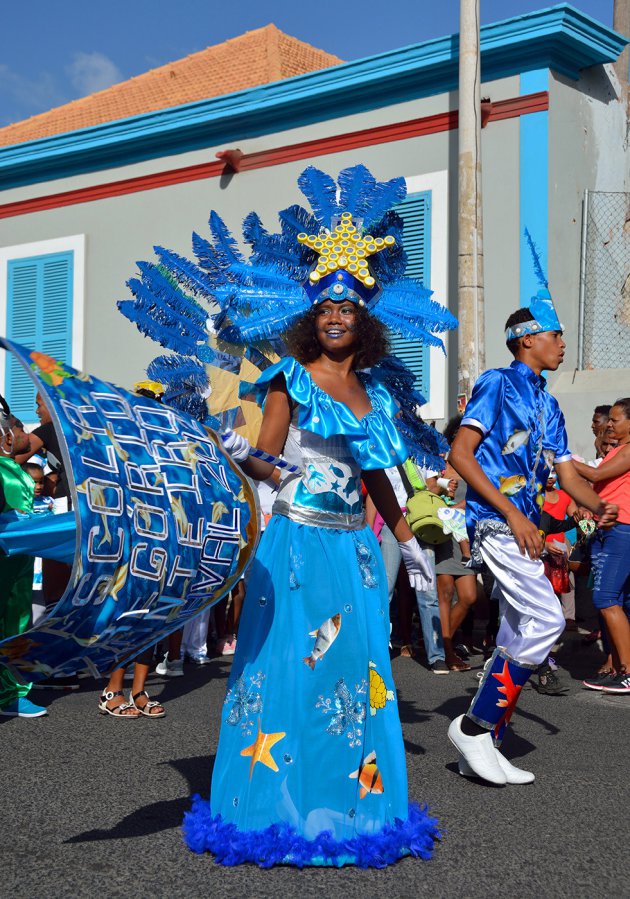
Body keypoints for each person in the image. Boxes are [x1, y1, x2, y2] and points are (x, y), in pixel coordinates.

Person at [178, 165, 457, 866]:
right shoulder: (289, 378)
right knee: (289, 673)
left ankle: (354, 807)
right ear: (312, 314)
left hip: (354, 550)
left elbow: (382, 479)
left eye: (349, 307)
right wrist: (254, 455)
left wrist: (410, 545)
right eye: (327, 306)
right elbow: (265, 459)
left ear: (365, 321)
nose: (336, 315)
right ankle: (274, 812)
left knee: (357, 679)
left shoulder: (372, 394)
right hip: (297, 542)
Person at [446, 287, 617, 786]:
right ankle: (475, 728)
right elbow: (461, 454)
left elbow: (566, 476)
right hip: (497, 522)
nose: (563, 342)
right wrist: (514, 515)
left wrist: (597, 505)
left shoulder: (551, 404)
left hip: (523, 526)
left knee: (518, 629)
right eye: (555, 333)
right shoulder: (497, 383)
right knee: (545, 619)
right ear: (525, 340)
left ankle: (486, 742)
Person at [573, 398, 630, 694]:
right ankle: (620, 667)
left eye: (616, 420)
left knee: (606, 598)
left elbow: (594, 475)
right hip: (608, 530)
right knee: (618, 600)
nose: (610, 424)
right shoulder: (617, 450)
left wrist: (559, 456)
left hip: (622, 530)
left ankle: (628, 672)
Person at [0, 399, 47, 718]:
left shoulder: (14, 467)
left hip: (18, 564)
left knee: (15, 620)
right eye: (18, 428)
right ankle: (8, 692)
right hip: (6, 559)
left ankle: (10, 689)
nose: (24, 431)